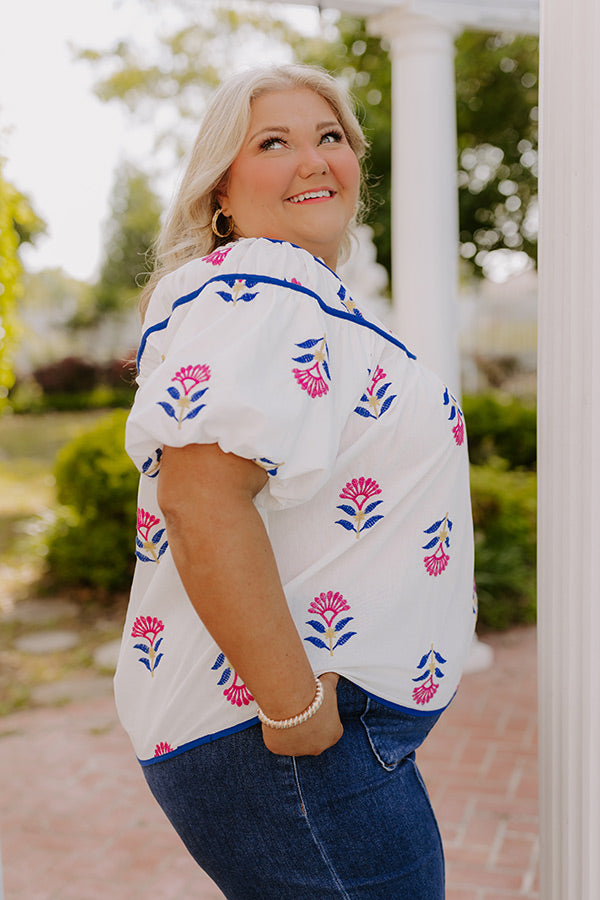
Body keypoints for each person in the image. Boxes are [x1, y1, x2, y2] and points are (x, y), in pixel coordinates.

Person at [115, 63, 476, 900]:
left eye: (331, 138)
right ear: (220, 197)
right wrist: (295, 715)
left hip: (308, 736)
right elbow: (201, 497)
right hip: (286, 736)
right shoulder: (263, 284)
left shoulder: (297, 294)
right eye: (273, 142)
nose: (314, 159)